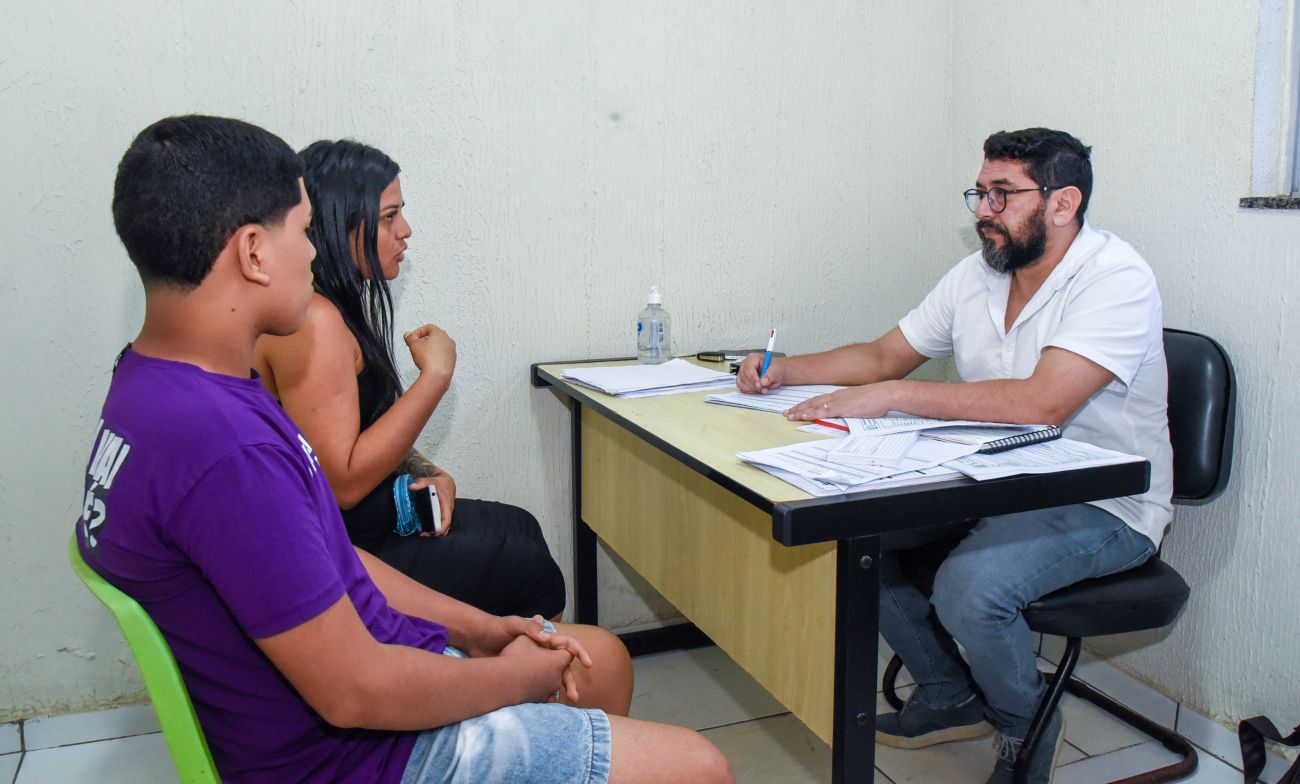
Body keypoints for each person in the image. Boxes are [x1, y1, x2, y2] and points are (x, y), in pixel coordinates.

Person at [79, 114, 733, 784]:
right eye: (302, 231)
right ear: (253, 252)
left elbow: (335, 557)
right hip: (355, 754)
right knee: (699, 766)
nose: (313, 254)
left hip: (350, 686)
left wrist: (478, 630)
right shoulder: (224, 445)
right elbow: (355, 690)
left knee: (601, 662)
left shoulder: (153, 386)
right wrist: (511, 679)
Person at [737, 127, 1171, 784]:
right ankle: (949, 694)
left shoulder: (1115, 277)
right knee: (854, 537)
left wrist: (893, 396)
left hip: (1103, 501)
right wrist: (783, 369)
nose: (983, 211)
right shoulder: (980, 272)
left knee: (970, 590)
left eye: (1003, 194)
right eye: (980, 192)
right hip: (989, 478)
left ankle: (1026, 729)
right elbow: (884, 356)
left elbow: (1043, 403)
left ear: (1063, 203)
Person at [252, 139, 565, 621]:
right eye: (389, 217)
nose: (406, 230)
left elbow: (357, 432)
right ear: (339, 222)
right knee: (532, 571)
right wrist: (434, 378)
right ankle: (518, 667)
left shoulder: (333, 306)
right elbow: (344, 483)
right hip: (342, 554)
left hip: (361, 528)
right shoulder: (314, 320)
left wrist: (430, 474)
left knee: (521, 528)